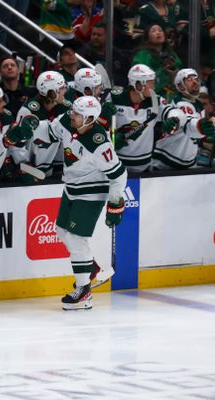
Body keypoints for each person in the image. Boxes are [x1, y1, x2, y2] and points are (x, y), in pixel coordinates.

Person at [49, 96, 127, 310]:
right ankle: (90, 267)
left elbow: (119, 174)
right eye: (73, 112)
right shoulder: (68, 121)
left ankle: (84, 291)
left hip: (92, 192)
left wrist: (115, 203)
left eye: (77, 114)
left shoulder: (100, 144)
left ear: (89, 119)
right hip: (71, 187)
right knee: (61, 230)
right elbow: (50, 131)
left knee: (75, 238)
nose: (72, 115)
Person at [151, 68, 215, 169]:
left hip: (186, 163)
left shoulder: (199, 105)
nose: (195, 81)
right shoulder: (180, 103)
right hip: (167, 163)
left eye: (196, 78)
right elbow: (189, 122)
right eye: (189, 79)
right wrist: (200, 127)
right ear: (181, 86)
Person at [113, 64, 168, 173]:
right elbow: (97, 126)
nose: (154, 87)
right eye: (150, 83)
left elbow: (172, 111)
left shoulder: (155, 101)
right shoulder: (114, 98)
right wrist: (112, 138)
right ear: (138, 85)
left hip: (145, 167)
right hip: (117, 166)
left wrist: (173, 118)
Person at [132, 24, 182, 96]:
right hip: (150, 94)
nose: (158, 32)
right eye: (153, 31)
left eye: (160, 30)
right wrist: (162, 71)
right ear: (148, 38)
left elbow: (179, 69)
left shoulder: (170, 53)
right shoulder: (142, 54)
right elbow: (141, 76)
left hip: (171, 94)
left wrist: (173, 68)